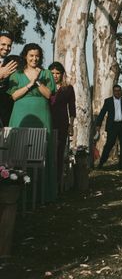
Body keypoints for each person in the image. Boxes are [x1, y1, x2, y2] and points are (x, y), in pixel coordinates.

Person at [7, 43, 57, 202]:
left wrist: (37, 81)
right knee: (18, 151)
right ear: (25, 57)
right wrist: (29, 83)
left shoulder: (47, 73)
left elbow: (49, 94)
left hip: (41, 114)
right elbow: (14, 96)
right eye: (31, 56)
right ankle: (17, 192)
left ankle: (42, 194)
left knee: (42, 149)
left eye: (37, 56)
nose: (34, 58)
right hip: (20, 113)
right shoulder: (17, 74)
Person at [48, 62, 76, 193]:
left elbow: (72, 108)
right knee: (47, 152)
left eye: (57, 73)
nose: (55, 76)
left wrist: (71, 125)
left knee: (59, 153)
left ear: (62, 74)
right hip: (47, 121)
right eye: (52, 73)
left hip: (62, 123)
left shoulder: (68, 88)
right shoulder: (45, 87)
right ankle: (46, 182)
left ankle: (57, 184)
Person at [95, 85, 122, 170]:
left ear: (121, 91)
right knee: (109, 145)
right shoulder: (108, 101)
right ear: (113, 91)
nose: (117, 92)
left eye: (119, 90)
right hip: (113, 126)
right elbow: (102, 113)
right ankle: (101, 163)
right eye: (115, 91)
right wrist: (98, 125)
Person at [0, 33, 17, 126]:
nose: (6, 48)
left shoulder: (11, 63)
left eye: (9, 45)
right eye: (3, 44)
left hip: (5, 114)